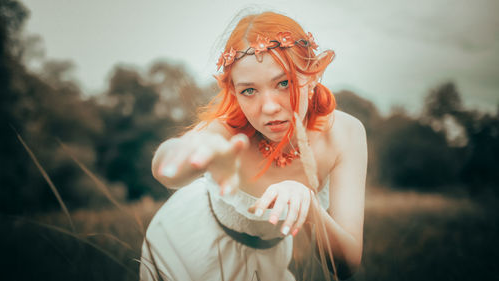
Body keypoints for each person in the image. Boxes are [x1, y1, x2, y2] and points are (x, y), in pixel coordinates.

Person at [139, 11, 367, 281]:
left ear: (312, 75)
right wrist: (195, 150)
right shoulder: (228, 131)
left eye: (284, 83)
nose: (269, 107)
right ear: (234, 91)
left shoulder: (344, 134)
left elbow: (347, 266)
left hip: (270, 260)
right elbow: (165, 169)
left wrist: (311, 208)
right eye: (249, 90)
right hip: (190, 247)